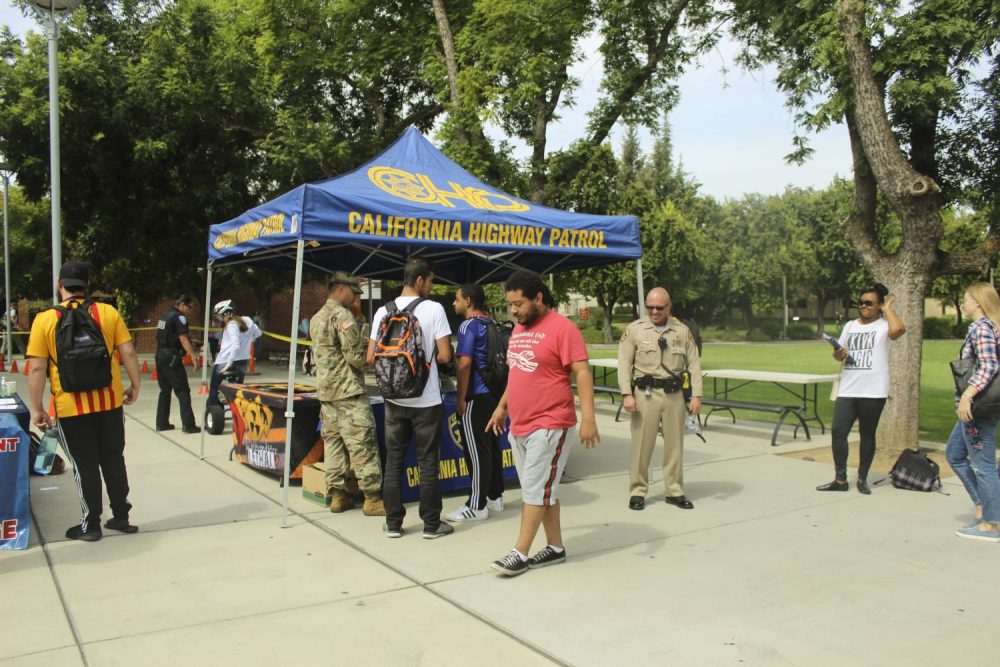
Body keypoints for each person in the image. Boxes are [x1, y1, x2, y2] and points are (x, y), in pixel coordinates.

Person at [486, 270, 599, 576]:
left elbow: (582, 372)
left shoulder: (563, 329)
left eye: (519, 303)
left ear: (538, 297)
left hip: (551, 423)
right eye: (510, 304)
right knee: (542, 490)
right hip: (520, 424)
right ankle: (556, 547)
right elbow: (518, 372)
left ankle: (519, 553)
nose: (513, 310)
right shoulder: (520, 329)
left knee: (535, 490)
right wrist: (502, 406)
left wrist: (589, 418)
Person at [26, 260, 142, 541]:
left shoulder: (44, 320)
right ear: (87, 285)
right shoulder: (107, 312)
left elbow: (38, 368)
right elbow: (127, 352)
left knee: (84, 466)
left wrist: (38, 408)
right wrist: (134, 385)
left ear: (60, 285)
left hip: (70, 407)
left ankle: (91, 525)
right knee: (114, 459)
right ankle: (121, 516)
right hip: (109, 403)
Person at [366, 257, 453, 538]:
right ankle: (431, 524)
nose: (432, 286)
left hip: (392, 400)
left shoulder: (382, 312)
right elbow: (444, 355)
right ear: (419, 280)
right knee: (427, 462)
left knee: (394, 460)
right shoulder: (434, 309)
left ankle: (393, 523)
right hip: (426, 401)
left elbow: (370, 357)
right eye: (430, 281)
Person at [617, 287, 702, 511]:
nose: (654, 312)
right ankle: (637, 491)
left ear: (668, 307)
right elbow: (624, 364)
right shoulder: (635, 330)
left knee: (675, 446)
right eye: (650, 307)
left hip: (674, 395)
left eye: (659, 308)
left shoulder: (682, 331)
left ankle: (674, 491)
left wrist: (696, 396)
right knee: (641, 446)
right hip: (645, 395)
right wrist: (627, 394)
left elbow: (694, 364)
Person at [817, 284, 905, 494]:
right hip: (848, 388)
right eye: (861, 302)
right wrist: (839, 353)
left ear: (878, 305)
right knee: (838, 432)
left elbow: (899, 330)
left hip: (873, 390)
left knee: (867, 435)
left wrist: (888, 309)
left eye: (869, 303)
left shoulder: (884, 325)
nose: (863, 306)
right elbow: (837, 354)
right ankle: (840, 480)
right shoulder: (850, 325)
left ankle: (862, 478)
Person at [312, 272, 385, 516]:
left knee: (333, 444)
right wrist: (372, 357)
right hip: (348, 393)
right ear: (341, 289)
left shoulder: (316, 317)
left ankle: (337, 496)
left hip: (327, 393)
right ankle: (372, 498)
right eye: (354, 293)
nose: (356, 298)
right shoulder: (343, 317)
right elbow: (355, 357)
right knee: (362, 443)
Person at [445, 283, 505, 522]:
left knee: (475, 451)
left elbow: (465, 363)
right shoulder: (490, 323)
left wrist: (461, 398)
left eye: (457, 299)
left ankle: (477, 504)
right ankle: (495, 496)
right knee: (491, 445)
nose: (453, 303)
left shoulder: (468, 325)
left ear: (468, 301)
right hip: (493, 394)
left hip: (476, 396)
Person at [946, 282, 1000, 542]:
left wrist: (967, 395)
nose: (963, 303)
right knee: (955, 454)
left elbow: (989, 365)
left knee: (983, 466)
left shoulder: (982, 328)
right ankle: (983, 505)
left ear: (978, 302)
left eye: (966, 299)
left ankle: (992, 524)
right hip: (974, 408)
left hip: (978, 407)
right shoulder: (986, 327)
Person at [155, 295, 201, 433]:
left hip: (160, 354)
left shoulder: (165, 314)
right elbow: (182, 338)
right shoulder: (179, 317)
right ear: (182, 304)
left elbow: (169, 334)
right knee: (183, 390)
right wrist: (194, 357)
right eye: (189, 307)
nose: (190, 310)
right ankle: (188, 425)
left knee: (165, 390)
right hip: (171, 356)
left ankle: (162, 423)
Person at [206, 300, 262, 410]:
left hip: (225, 361)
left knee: (214, 388)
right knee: (237, 391)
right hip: (242, 361)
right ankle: (237, 413)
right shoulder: (247, 320)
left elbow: (235, 345)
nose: (219, 319)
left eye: (220, 316)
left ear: (227, 313)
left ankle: (212, 413)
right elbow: (258, 333)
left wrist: (229, 362)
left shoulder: (231, 325)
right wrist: (248, 341)